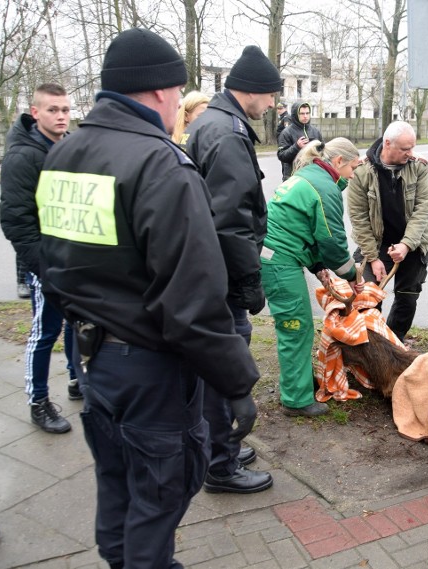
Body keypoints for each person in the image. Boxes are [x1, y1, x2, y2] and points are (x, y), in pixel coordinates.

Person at [35, 28, 260, 568]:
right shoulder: (162, 165)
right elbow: (192, 302)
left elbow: (54, 265)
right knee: (159, 498)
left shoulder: (64, 155)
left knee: (118, 487)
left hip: (94, 361)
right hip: (151, 373)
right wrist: (237, 382)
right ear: (162, 93)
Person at [185, 44, 281, 495]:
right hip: (221, 278)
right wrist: (248, 283)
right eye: (272, 96)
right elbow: (231, 220)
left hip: (209, 271)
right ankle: (220, 465)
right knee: (227, 365)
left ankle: (219, 444)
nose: (274, 105)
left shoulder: (214, 123)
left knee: (219, 366)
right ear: (254, 91)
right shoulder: (226, 133)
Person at [261, 138, 364, 417]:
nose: (353, 176)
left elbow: (305, 229)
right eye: (353, 167)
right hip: (280, 261)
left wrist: (319, 269)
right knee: (296, 326)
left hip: (278, 255)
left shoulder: (309, 175)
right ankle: (296, 400)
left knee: (299, 325)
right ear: (339, 161)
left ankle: (301, 383)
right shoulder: (324, 187)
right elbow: (332, 243)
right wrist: (353, 276)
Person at [0, 82, 80, 435]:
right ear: (36, 113)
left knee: (78, 324)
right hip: (47, 264)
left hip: (73, 259)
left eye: (65, 109)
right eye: (53, 110)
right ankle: (39, 401)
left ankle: (78, 381)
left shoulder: (66, 146)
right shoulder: (24, 156)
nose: (61, 116)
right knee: (45, 332)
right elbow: (17, 222)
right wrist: (44, 270)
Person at [347, 121, 428, 342]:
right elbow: (358, 218)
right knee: (368, 297)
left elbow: (422, 211)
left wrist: (406, 245)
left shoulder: (420, 168)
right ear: (387, 144)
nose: (410, 153)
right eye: (405, 149)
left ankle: (394, 344)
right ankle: (371, 346)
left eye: (412, 147)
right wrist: (374, 257)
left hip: (413, 245)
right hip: (376, 244)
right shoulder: (362, 171)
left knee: (407, 300)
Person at [277, 101, 323, 180]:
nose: (305, 116)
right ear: (295, 114)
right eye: (302, 113)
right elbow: (282, 156)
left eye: (307, 113)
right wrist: (296, 147)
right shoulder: (286, 132)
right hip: (293, 177)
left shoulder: (315, 131)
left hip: (312, 176)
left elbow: (323, 153)